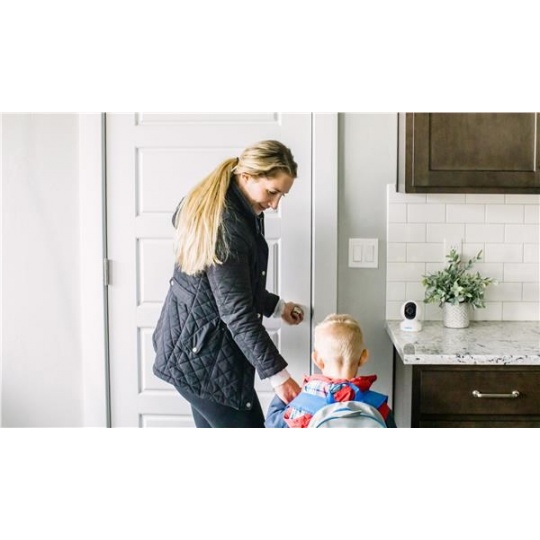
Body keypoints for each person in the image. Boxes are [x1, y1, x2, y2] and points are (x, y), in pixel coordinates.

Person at [152, 140, 305, 428]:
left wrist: (278, 307)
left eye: (281, 195)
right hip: (203, 359)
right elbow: (237, 313)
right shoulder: (228, 227)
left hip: (193, 349)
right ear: (246, 176)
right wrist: (280, 377)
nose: (275, 204)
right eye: (272, 192)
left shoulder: (236, 207)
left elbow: (232, 286)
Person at [265, 313, 397, 428]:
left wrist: (281, 397)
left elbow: (272, 424)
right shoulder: (379, 407)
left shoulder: (302, 407)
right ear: (363, 357)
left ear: (317, 359)